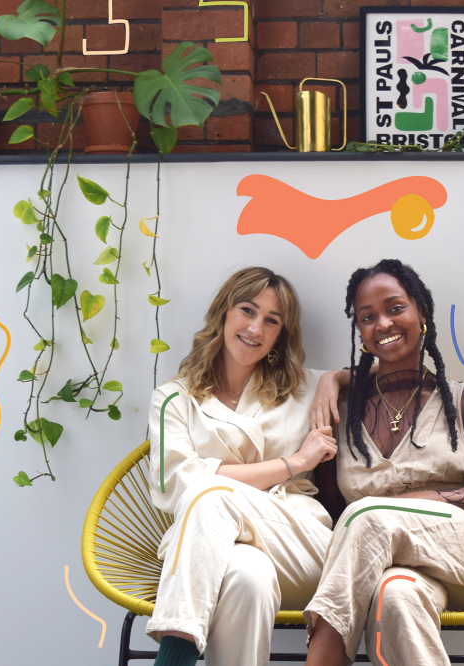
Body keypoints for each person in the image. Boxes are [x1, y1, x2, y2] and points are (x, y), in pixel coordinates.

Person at [303, 259, 464, 666]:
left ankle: (322, 657)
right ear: (361, 333)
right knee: (395, 597)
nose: (382, 323)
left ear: (422, 313)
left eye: (395, 308)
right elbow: (333, 513)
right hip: (391, 565)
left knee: (367, 513)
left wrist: (416, 500)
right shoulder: (343, 414)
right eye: (367, 317)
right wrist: (331, 378)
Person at [146, 266, 348, 666]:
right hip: (213, 558)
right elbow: (176, 485)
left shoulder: (303, 387)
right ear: (224, 312)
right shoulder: (174, 399)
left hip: (299, 547)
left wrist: (337, 378)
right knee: (246, 579)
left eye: (271, 321)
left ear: (279, 335)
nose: (256, 328)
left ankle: (174, 655)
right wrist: (293, 463)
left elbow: (398, 375)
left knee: (210, 492)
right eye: (247, 311)